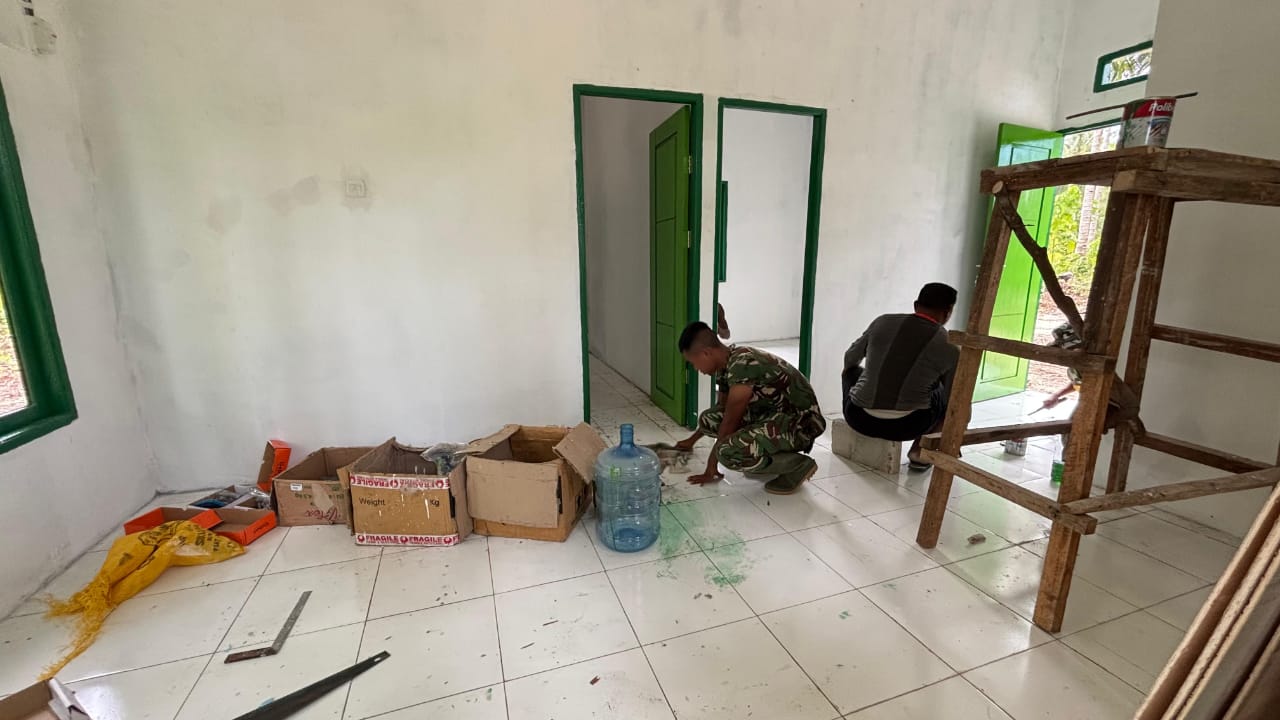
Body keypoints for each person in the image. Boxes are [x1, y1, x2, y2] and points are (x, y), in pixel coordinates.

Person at [673, 322, 826, 495]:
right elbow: (722, 411)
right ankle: (763, 454)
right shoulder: (727, 364)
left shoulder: (743, 364)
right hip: (773, 415)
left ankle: (797, 465)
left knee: (728, 452)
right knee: (708, 419)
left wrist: (711, 466)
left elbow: (729, 422)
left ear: (706, 353)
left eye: (693, 363)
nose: (696, 368)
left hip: (801, 424)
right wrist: (691, 441)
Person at [843, 282, 959, 472]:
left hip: (858, 418)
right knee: (947, 396)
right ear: (947, 312)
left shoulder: (882, 322)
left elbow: (850, 358)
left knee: (852, 371)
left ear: (916, 305)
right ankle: (919, 452)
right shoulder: (950, 345)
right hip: (908, 426)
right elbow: (952, 400)